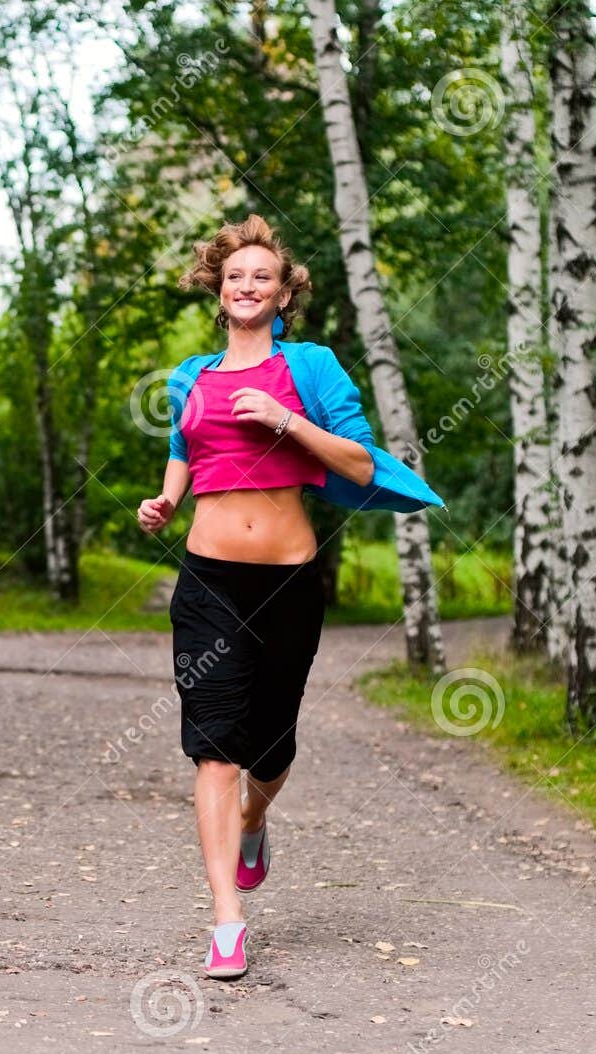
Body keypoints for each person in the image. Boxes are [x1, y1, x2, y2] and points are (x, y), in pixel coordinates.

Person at [137, 214, 443, 979]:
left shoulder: (311, 367)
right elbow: (184, 444)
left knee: (270, 745)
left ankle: (254, 818)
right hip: (209, 577)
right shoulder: (190, 377)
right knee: (214, 744)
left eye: (261, 277)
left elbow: (362, 464)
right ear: (219, 288)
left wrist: (285, 419)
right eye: (235, 276)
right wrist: (167, 501)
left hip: (287, 577)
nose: (247, 286)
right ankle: (226, 921)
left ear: (282, 294)